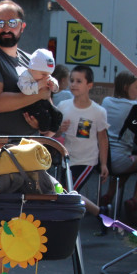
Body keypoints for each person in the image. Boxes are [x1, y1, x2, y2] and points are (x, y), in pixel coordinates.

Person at [0, 0, 56, 137]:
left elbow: (48, 103)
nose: (6, 29)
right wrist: (38, 94)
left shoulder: (31, 61)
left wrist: (42, 125)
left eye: (12, 23)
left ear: (22, 26)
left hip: (30, 147)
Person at [54, 65, 108, 195]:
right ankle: (96, 212)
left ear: (89, 85)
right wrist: (60, 129)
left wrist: (104, 164)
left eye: (79, 81)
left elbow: (102, 138)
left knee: (67, 193)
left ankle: (90, 212)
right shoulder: (63, 106)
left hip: (86, 161)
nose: (74, 84)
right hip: (67, 159)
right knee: (61, 192)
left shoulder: (98, 111)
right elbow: (55, 133)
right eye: (72, 80)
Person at [99, 70, 137, 216]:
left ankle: (109, 195)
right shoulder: (135, 107)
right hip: (120, 160)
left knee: (129, 163)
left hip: (103, 159)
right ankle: (134, 200)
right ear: (126, 87)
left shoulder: (106, 101)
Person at [16, 48, 63, 133]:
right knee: (44, 117)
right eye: (43, 74)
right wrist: (39, 85)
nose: (46, 77)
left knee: (58, 114)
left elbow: (55, 86)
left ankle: (52, 131)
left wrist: (54, 86)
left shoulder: (44, 76)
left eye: (49, 74)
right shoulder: (25, 76)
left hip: (44, 102)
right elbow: (25, 90)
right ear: (32, 69)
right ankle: (44, 132)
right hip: (31, 104)